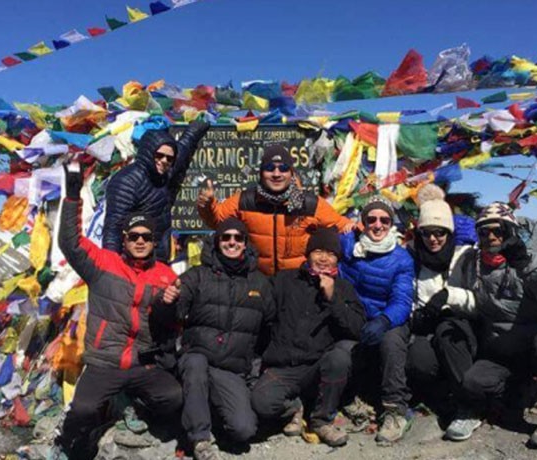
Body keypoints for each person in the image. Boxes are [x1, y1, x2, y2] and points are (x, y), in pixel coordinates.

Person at [53, 162, 183, 460]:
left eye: (146, 237)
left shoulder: (166, 275)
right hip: (104, 363)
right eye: (134, 236)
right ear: (124, 239)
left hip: (143, 364)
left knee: (173, 398)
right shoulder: (104, 264)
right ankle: (66, 447)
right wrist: (73, 195)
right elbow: (70, 243)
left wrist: (172, 304)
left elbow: (175, 323)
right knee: (82, 411)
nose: (140, 241)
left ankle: (132, 405)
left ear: (153, 241)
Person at [439, 202, 537, 449]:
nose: (491, 237)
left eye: (499, 230)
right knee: (473, 383)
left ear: (511, 231)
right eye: (484, 232)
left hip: (536, 346)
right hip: (499, 351)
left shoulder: (531, 259)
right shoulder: (472, 263)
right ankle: (523, 391)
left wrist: (524, 263)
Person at [165, 218, 275, 460]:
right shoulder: (197, 276)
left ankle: (212, 411)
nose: (232, 242)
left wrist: (257, 368)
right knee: (195, 365)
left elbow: (270, 327)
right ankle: (200, 438)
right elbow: (173, 314)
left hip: (231, 368)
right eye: (226, 237)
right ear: (217, 242)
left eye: (238, 238)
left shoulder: (260, 283)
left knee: (244, 429)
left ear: (246, 243)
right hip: (198, 356)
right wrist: (168, 301)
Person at [251, 228, 365, 447]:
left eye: (331, 254)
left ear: (337, 260)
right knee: (261, 403)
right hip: (283, 367)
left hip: (317, 368)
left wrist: (332, 299)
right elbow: (261, 308)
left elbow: (357, 329)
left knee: (340, 358)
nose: (324, 258)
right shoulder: (284, 280)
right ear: (308, 254)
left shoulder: (343, 288)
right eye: (318, 251)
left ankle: (322, 420)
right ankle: (295, 409)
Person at [198, 144, 353, 275]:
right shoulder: (246, 200)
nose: (276, 174)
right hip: (257, 279)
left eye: (283, 168)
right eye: (270, 168)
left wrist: (363, 227)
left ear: (291, 173)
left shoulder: (310, 203)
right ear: (261, 173)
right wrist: (207, 205)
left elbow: (342, 226)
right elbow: (218, 220)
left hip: (296, 281)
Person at [338, 197, 415, 445]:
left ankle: (396, 410)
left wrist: (384, 320)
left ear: (391, 223)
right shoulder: (349, 245)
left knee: (392, 342)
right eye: (371, 219)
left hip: (387, 317)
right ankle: (346, 398)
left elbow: (402, 300)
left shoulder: (401, 258)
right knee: (340, 351)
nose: (377, 225)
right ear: (363, 222)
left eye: (384, 219)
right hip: (355, 316)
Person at [403, 185, 478, 412]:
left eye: (440, 232)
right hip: (425, 326)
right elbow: (406, 293)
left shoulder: (465, 257)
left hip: (460, 326)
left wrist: (449, 296)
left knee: (448, 333)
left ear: (449, 232)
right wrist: (415, 315)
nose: (433, 239)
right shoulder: (412, 257)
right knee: (418, 362)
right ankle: (439, 396)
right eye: (426, 233)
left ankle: (469, 404)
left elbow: (480, 302)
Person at [103, 120, 210, 260]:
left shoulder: (164, 173)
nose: (164, 160)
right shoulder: (126, 182)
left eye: (169, 158)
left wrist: (197, 128)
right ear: (148, 152)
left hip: (158, 256)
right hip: (133, 260)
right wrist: (112, 266)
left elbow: (184, 147)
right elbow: (113, 228)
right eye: (159, 155)